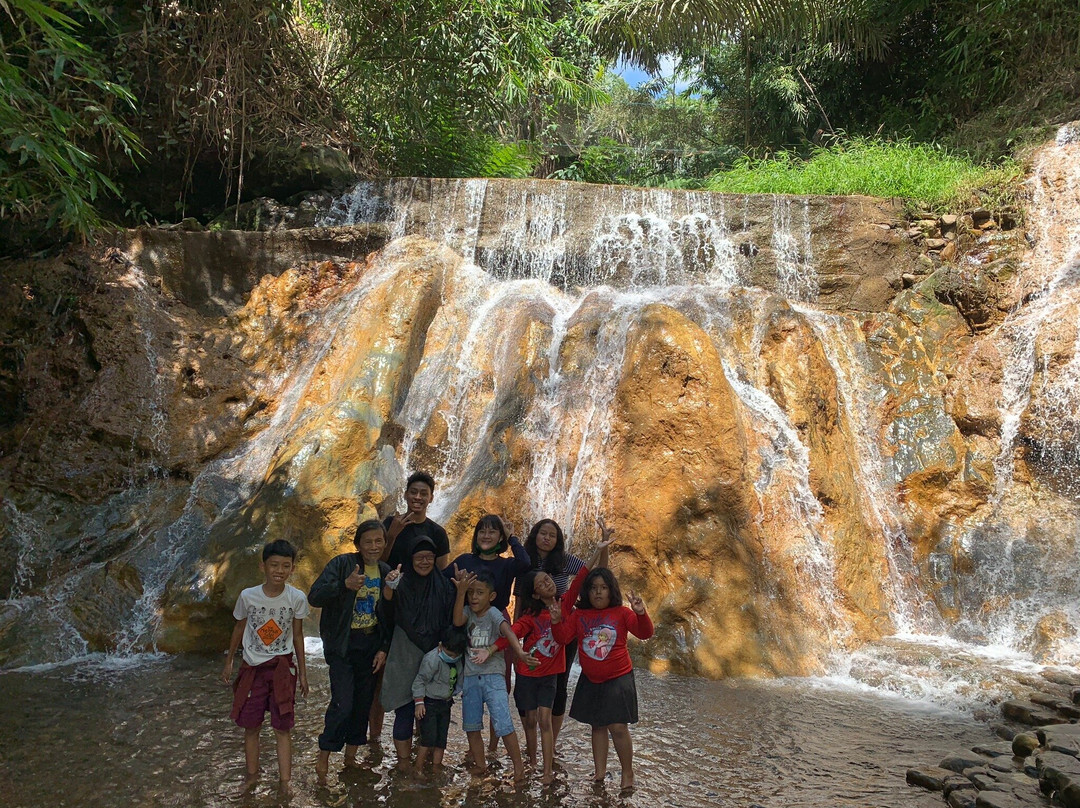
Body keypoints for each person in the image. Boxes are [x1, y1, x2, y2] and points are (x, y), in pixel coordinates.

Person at [497, 527, 612, 784]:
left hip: (550, 672)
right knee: (529, 720)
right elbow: (512, 630)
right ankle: (532, 760)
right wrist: (509, 652)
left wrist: (600, 549)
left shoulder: (564, 602)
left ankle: (547, 768)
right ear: (535, 592)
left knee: (544, 718)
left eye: (550, 579)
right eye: (542, 582)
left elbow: (582, 575)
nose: (549, 581)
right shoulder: (530, 613)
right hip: (528, 671)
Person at [552, 564, 652, 791]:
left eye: (604, 587)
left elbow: (645, 633)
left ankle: (628, 773)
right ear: (587, 592)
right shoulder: (579, 615)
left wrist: (640, 613)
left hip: (618, 677)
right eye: (594, 588)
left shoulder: (622, 613)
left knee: (617, 726)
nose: (598, 592)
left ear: (611, 591)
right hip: (590, 678)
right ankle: (599, 772)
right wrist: (556, 620)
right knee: (597, 726)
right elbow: (562, 638)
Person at [222, 539, 310, 797]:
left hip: (283, 668)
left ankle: (285, 782)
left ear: (292, 568)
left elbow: (297, 636)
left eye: (285, 566)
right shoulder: (248, 596)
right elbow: (238, 628)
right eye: (274, 565)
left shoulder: (296, 597)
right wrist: (229, 662)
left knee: (283, 727)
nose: (279, 571)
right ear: (263, 566)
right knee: (251, 726)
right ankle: (251, 776)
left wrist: (303, 673)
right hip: (252, 668)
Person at [307, 519, 391, 782]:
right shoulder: (342, 564)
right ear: (358, 544)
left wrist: (384, 648)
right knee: (343, 704)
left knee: (363, 704)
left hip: (370, 647)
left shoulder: (386, 571)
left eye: (379, 541)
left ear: (385, 543)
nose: (373, 546)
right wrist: (344, 585)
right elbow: (315, 596)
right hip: (343, 645)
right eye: (368, 541)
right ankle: (324, 756)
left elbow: (389, 615)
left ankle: (351, 758)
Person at [446, 513, 531, 751]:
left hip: (497, 621)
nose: (486, 535)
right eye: (482, 531)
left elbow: (525, 563)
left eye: (493, 531)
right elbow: (444, 584)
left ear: (500, 537)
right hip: (469, 621)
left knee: (500, 682)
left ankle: (494, 745)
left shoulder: (506, 563)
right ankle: (476, 748)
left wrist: (512, 536)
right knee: (470, 676)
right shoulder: (464, 560)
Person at [379, 535, 456, 771]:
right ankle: (403, 765)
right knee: (404, 708)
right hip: (404, 651)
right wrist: (389, 588)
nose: (424, 562)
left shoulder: (443, 585)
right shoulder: (400, 582)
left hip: (435, 653)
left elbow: (452, 620)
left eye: (430, 557)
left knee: (431, 710)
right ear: (410, 558)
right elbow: (385, 613)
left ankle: (425, 765)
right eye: (419, 557)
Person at [452, 568, 535, 782]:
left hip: (493, 676)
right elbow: (457, 622)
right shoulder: (468, 612)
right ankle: (480, 765)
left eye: (479, 593)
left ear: (491, 596)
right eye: (471, 593)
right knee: (471, 725)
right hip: (471, 677)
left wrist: (519, 653)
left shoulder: (493, 613)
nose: (474, 597)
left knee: (503, 723)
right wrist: (460, 593)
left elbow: (508, 631)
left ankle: (518, 767)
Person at [517, 517, 587, 745]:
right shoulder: (525, 561)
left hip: (562, 623)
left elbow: (588, 571)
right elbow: (519, 596)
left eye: (552, 535)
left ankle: (551, 740)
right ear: (535, 535)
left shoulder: (565, 561)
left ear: (558, 541)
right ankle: (531, 740)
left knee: (559, 683)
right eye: (542, 533)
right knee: (526, 680)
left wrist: (602, 548)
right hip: (533, 625)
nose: (546, 538)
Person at [410, 629, 466, 776]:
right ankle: (418, 767)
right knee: (428, 739)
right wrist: (419, 702)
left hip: (445, 703)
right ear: (441, 646)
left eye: (454, 655)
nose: (451, 657)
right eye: (449, 654)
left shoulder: (458, 661)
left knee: (442, 739)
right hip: (429, 704)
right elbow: (419, 681)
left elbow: (459, 680)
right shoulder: (432, 659)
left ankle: (436, 766)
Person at [382, 471, 450, 571]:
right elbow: (377, 562)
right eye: (413, 492)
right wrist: (391, 536)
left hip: (421, 586)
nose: (418, 497)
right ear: (405, 495)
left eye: (423, 494)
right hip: (388, 584)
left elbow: (441, 573)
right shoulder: (390, 523)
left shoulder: (438, 533)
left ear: (431, 498)